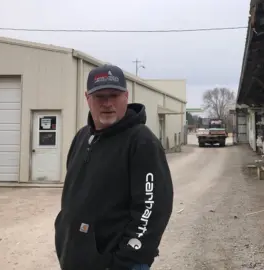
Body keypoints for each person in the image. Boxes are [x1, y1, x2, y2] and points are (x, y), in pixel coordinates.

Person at [54, 64, 174, 270]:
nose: (108, 103)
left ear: (126, 97)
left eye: (114, 95)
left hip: (117, 263)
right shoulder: (82, 137)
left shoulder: (141, 141)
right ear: (87, 98)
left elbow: (152, 207)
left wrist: (131, 258)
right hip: (76, 257)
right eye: (100, 96)